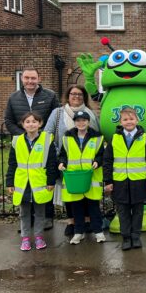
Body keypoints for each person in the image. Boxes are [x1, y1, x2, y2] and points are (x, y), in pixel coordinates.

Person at [4, 67, 59, 230]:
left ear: (39, 79)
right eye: (26, 78)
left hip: (43, 143)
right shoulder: (14, 97)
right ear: (22, 79)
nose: (30, 81)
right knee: (25, 179)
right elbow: (8, 120)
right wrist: (25, 135)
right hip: (22, 145)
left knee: (43, 179)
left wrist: (40, 135)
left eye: (33, 78)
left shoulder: (50, 95)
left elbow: (56, 117)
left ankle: (47, 217)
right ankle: (26, 222)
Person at [45, 85, 99, 237]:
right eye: (73, 94)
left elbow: (98, 135)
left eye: (80, 94)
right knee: (70, 192)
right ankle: (71, 221)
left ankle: (87, 220)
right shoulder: (58, 113)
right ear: (67, 96)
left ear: (84, 97)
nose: (76, 96)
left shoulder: (91, 114)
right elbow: (48, 134)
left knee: (87, 190)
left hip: (88, 163)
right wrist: (58, 156)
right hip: (66, 163)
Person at [103, 107, 146, 251]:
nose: (129, 122)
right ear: (120, 121)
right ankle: (126, 237)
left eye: (131, 119)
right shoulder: (115, 138)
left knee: (138, 211)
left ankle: (136, 237)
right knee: (123, 212)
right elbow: (107, 161)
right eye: (125, 119)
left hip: (139, 181)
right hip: (120, 182)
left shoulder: (144, 138)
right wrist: (108, 181)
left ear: (137, 120)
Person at [5, 112, 57, 251]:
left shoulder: (47, 140)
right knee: (24, 213)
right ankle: (26, 238)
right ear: (23, 124)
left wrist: (51, 181)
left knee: (40, 212)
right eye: (27, 122)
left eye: (34, 121)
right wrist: (10, 182)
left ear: (40, 124)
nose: (31, 124)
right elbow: (12, 163)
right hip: (23, 184)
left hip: (40, 183)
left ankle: (39, 237)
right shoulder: (17, 141)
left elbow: (52, 162)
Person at [58, 111, 106, 245]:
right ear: (74, 122)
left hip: (91, 177)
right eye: (78, 120)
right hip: (74, 178)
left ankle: (98, 231)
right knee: (76, 207)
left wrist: (98, 161)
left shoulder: (97, 137)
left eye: (84, 120)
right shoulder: (67, 137)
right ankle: (78, 232)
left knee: (93, 207)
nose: (81, 123)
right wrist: (62, 163)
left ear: (88, 122)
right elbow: (63, 155)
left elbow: (101, 154)